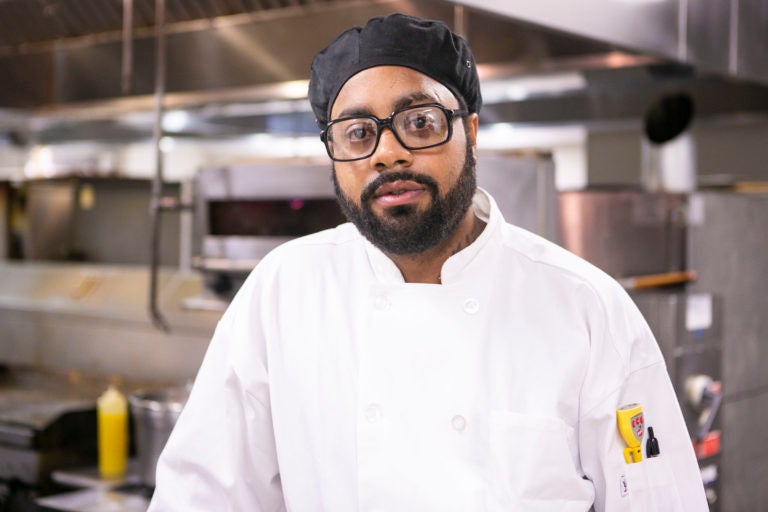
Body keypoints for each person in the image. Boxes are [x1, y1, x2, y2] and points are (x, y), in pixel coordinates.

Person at [149, 13, 708, 511]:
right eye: (358, 133)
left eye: (419, 122)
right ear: (334, 154)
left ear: (469, 130)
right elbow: (201, 496)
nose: (388, 152)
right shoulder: (283, 292)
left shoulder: (587, 309)